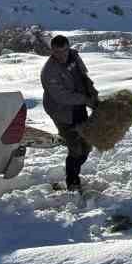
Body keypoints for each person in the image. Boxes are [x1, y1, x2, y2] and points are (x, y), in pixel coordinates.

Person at [40, 35, 99, 192]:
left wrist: (92, 94)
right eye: (57, 52)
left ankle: (73, 171)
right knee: (75, 148)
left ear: (68, 48)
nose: (62, 55)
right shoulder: (49, 71)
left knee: (86, 145)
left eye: (64, 51)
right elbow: (62, 96)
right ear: (52, 51)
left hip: (79, 105)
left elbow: (84, 77)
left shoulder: (74, 56)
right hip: (61, 111)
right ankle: (72, 182)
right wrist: (86, 100)